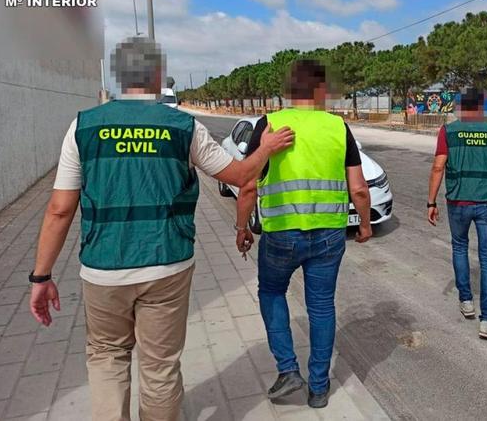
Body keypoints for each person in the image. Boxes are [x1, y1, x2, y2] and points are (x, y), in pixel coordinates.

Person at [28, 36, 294, 421]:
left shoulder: (83, 127)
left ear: (119, 77)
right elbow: (238, 175)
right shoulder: (184, 126)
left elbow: (59, 210)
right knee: (160, 366)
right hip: (167, 264)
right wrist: (266, 148)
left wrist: (42, 275)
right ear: (158, 76)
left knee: (106, 359)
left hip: (103, 269)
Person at [234, 59, 372, 408]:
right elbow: (358, 189)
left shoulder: (271, 123)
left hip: (281, 234)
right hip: (329, 236)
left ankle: (288, 369)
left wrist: (242, 227)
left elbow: (248, 183)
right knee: (322, 306)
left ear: (290, 90)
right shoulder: (338, 127)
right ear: (322, 90)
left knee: (271, 292)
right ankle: (320, 388)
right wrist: (366, 224)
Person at [427, 88, 487, 340]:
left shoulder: (448, 131)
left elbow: (437, 167)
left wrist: (430, 202)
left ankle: (466, 301)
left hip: (458, 202)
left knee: (459, 247)